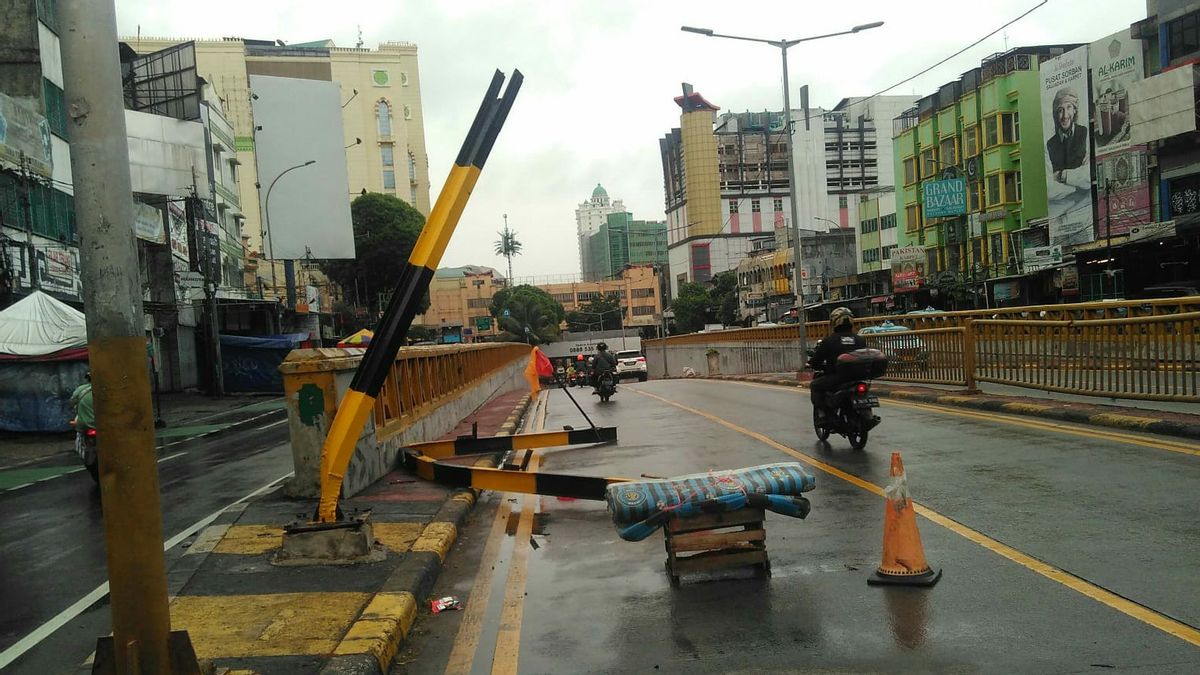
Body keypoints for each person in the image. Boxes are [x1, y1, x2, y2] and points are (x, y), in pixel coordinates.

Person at [807, 308, 865, 421]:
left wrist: (811, 364)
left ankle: (824, 413)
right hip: (857, 378)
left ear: (834, 322)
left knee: (815, 385)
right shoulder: (860, 340)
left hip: (837, 378)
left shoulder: (829, 341)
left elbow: (817, 359)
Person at [1046, 88, 1089, 176]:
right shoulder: (1051, 144)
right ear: (1056, 115)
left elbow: (1086, 173)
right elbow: (1051, 179)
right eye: (1060, 110)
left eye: (1068, 107)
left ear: (1074, 110)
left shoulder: (1085, 133)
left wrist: (1061, 175)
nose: (1065, 116)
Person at [70, 370, 95, 458]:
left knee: (80, 437)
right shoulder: (107, 389)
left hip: (84, 426)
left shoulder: (81, 389)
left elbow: (72, 402)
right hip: (103, 427)